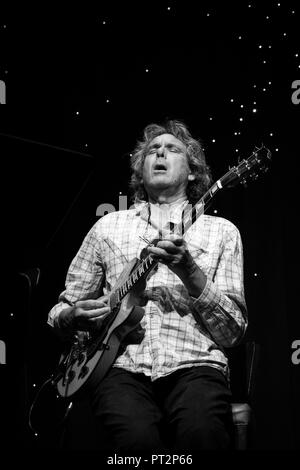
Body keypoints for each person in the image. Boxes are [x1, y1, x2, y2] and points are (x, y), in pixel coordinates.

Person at [48, 120, 248, 454]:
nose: (160, 153)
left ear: (193, 173)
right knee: (135, 444)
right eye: (153, 150)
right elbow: (60, 310)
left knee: (201, 435)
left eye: (172, 149)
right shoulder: (107, 227)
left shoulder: (222, 232)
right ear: (140, 173)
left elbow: (232, 332)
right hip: (119, 368)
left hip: (196, 365)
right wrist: (71, 314)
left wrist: (189, 269)